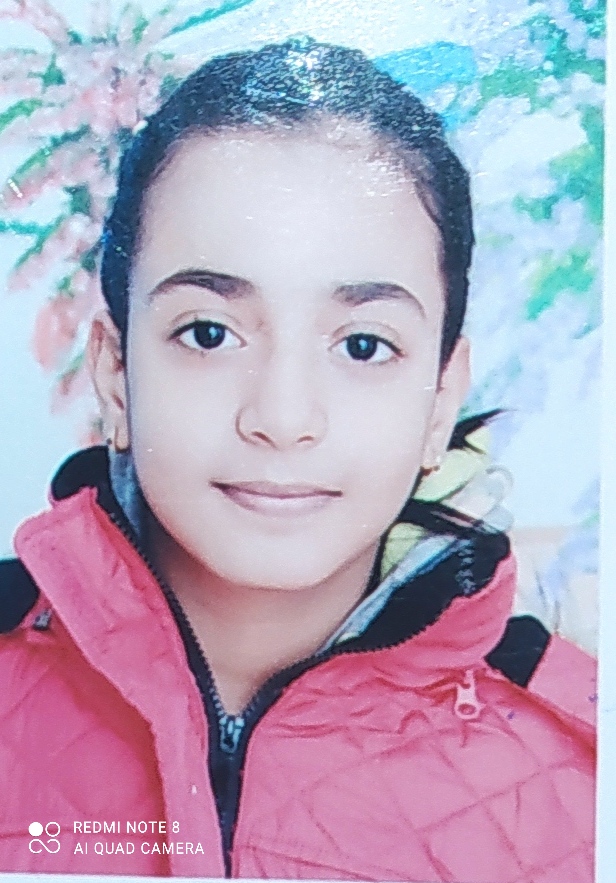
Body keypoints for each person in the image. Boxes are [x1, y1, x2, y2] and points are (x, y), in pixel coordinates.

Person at [0, 38, 595, 882]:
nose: (282, 419)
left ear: (439, 399)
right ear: (115, 372)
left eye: (362, 345)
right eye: (210, 333)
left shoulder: (586, 778)